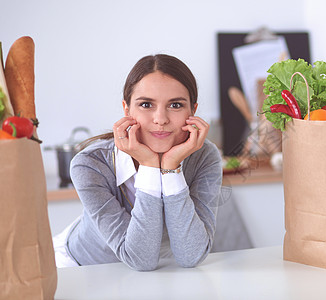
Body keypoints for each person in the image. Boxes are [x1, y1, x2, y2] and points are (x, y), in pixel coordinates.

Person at [52, 54, 223, 271]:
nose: (160, 119)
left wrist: (170, 168)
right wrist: (151, 166)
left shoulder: (204, 156)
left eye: (176, 105)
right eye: (146, 104)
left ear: (193, 111)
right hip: (82, 267)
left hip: (152, 273)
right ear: (127, 109)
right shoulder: (89, 164)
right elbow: (140, 259)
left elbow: (191, 256)